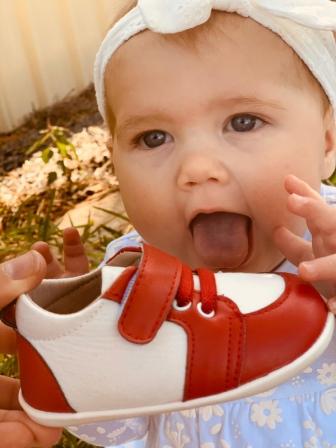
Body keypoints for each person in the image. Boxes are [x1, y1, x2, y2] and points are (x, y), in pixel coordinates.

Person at [3, 0, 336, 446]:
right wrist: (78, 356)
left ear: (328, 141)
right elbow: (122, 428)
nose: (197, 168)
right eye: (153, 137)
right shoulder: (135, 278)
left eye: (243, 122)